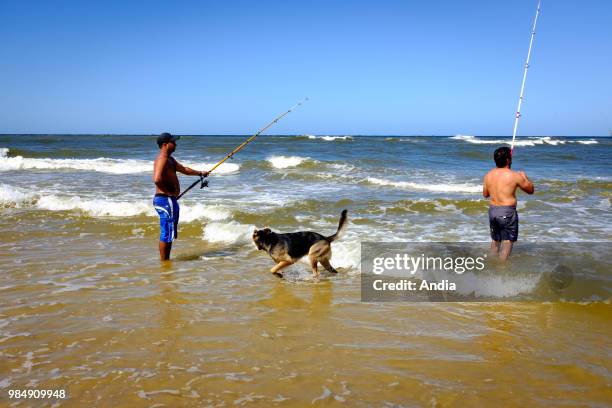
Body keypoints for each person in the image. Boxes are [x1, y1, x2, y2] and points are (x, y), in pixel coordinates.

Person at [153, 132, 209, 261]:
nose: (176, 144)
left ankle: (165, 262)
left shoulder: (170, 159)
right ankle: (165, 263)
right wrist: (168, 193)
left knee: (169, 232)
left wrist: (200, 173)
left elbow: (184, 169)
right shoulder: (162, 159)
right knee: (167, 233)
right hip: (165, 200)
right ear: (165, 144)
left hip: (168, 200)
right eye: (173, 142)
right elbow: (157, 179)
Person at [483, 147, 534, 260]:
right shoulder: (514, 175)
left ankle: (490, 265)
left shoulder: (488, 175)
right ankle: (501, 270)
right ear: (508, 160)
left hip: (493, 211)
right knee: (507, 242)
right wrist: (525, 177)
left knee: (495, 241)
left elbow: (485, 194)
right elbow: (530, 190)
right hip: (507, 212)